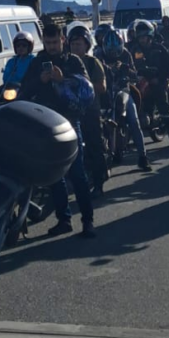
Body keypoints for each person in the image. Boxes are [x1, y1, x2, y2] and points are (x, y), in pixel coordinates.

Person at [19, 23, 97, 238]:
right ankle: (64, 219)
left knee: (77, 174)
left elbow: (87, 89)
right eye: (48, 42)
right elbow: (24, 91)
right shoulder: (37, 63)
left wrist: (64, 80)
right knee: (54, 177)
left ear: (62, 39)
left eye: (55, 42)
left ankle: (88, 220)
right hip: (45, 126)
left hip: (70, 124)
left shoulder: (73, 61)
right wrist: (40, 81)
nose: (52, 46)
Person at [98, 30, 154, 172]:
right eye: (110, 50)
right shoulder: (98, 55)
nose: (113, 53)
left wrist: (127, 70)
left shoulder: (126, 54)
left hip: (123, 90)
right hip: (105, 91)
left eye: (115, 50)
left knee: (134, 121)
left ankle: (143, 156)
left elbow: (134, 73)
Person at [65, 24, 110, 197]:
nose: (76, 47)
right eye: (73, 43)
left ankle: (99, 182)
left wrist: (84, 84)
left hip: (90, 111)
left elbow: (102, 87)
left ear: (87, 45)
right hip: (69, 112)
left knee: (94, 145)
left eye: (79, 44)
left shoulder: (93, 62)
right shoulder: (65, 62)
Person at [127, 20, 169, 147]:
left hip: (156, 81)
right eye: (140, 37)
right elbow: (127, 63)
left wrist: (160, 78)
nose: (142, 39)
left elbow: (168, 65)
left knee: (163, 106)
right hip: (139, 81)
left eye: (144, 36)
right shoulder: (132, 49)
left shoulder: (159, 49)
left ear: (150, 36)